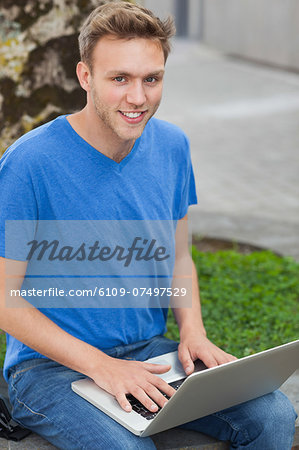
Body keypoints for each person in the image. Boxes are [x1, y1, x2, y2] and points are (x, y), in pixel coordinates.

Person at [0, 2, 297, 449]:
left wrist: (193, 332)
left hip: (148, 352)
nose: (138, 98)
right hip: (48, 369)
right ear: (85, 76)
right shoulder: (29, 163)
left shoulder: (173, 146)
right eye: (119, 78)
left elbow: (179, 255)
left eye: (151, 79)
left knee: (273, 417)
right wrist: (101, 366)